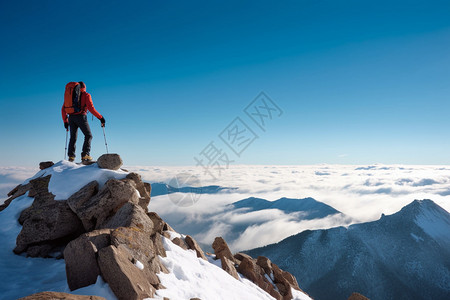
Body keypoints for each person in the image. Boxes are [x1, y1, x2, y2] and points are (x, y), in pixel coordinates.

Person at [61, 81, 105, 162]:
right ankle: (85, 155)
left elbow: (63, 109)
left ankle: (71, 156)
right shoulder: (86, 95)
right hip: (81, 117)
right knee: (88, 135)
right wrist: (101, 117)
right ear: (84, 87)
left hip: (71, 117)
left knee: (73, 137)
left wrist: (65, 121)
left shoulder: (70, 96)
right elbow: (91, 108)